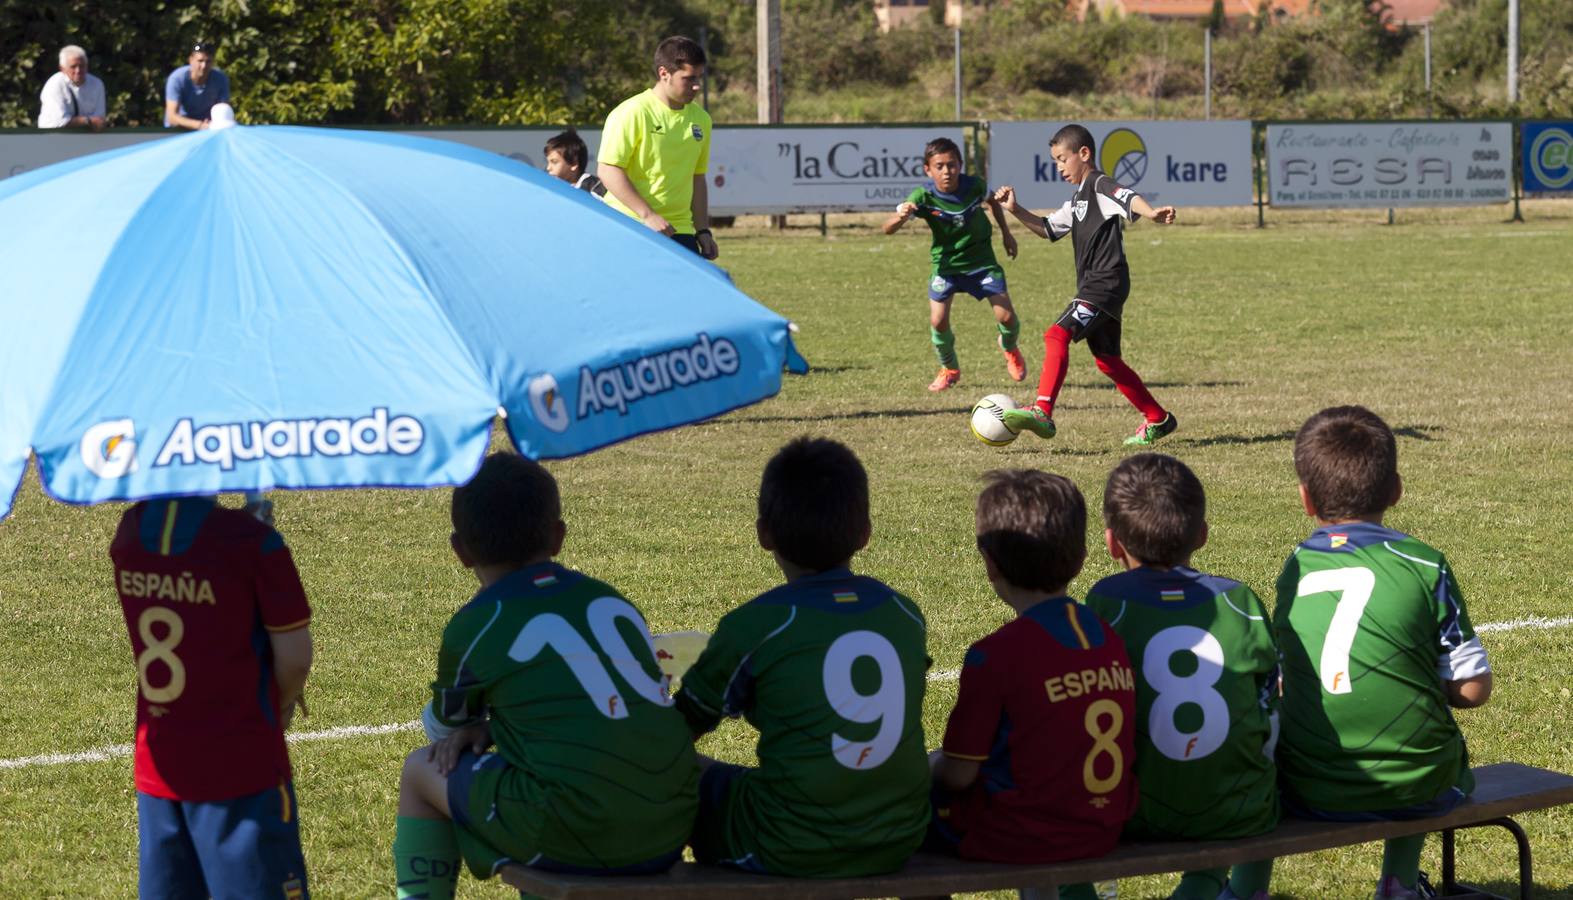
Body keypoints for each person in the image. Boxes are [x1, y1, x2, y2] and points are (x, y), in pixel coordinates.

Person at [393, 453, 698, 900]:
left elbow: (443, 731)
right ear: (558, 537)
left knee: (421, 770)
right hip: (669, 829)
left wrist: (483, 726)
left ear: (459, 550)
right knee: (544, 775)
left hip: (572, 831)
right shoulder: (613, 600)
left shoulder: (477, 623)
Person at [674, 437, 930, 877]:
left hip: (787, 844)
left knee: (684, 775)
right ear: (866, 533)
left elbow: (679, 730)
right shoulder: (903, 612)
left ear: (763, 533)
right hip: (897, 838)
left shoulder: (756, 625)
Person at [1275, 406, 1492, 900]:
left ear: (1305, 499)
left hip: (1308, 784)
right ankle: (1398, 881)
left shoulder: (1297, 566)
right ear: (1395, 490)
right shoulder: (1423, 562)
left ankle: (1246, 888)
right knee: (1413, 742)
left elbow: (1283, 677)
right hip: (1420, 786)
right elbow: (1473, 690)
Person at [1082, 454, 1278, 900]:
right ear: (1203, 535)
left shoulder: (1107, 601)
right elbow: (1270, 701)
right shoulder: (1238, 600)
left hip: (1129, 812)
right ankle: (1236, 889)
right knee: (1271, 749)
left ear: (1112, 542)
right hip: (1237, 810)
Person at [929, 468, 1137, 877]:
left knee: (893, 816)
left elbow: (957, 774)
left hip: (1020, 836)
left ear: (989, 563)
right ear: (1081, 558)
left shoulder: (995, 655)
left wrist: (924, 765)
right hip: (1104, 829)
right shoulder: (1109, 638)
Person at [110, 495, 312, 898]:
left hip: (159, 767)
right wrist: (284, 702)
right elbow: (294, 657)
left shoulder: (129, 532)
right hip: (240, 767)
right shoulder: (252, 543)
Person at [995, 123, 1179, 446]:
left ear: (1084, 153)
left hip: (1104, 282)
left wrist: (1151, 214)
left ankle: (1042, 410)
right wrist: (1015, 210)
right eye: (1054, 161)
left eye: (1062, 159)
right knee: (1107, 360)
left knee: (1056, 334)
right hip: (1103, 285)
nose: (1058, 167)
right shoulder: (1078, 198)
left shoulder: (1098, 184)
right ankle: (1158, 419)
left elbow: (1128, 197)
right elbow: (1048, 228)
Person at [883, 137, 1026, 392]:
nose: (946, 171)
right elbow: (887, 229)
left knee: (1006, 316)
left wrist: (1006, 233)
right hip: (946, 266)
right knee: (938, 321)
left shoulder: (974, 186)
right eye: (939, 166)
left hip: (981, 261)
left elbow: (993, 201)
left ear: (960, 165)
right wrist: (901, 217)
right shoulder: (923, 196)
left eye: (952, 165)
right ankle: (949, 368)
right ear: (928, 169)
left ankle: (1009, 347)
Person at [597, 36, 717, 259]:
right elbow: (608, 170)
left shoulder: (702, 119)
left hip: (680, 230)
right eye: (689, 78)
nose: (697, 86)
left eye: (699, 78)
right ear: (664, 74)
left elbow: (697, 177)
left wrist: (702, 230)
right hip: (629, 224)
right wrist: (648, 215)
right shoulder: (632, 113)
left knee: (682, 295)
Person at [37, 45, 107, 130]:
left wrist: (93, 122)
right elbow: (60, 122)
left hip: (86, 138)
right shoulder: (54, 84)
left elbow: (99, 121)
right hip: (52, 137)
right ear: (62, 69)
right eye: (73, 67)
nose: (78, 71)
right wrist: (88, 121)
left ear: (87, 66)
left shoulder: (97, 84)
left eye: (81, 66)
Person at [165, 42, 231, 130]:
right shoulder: (177, 79)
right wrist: (199, 125)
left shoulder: (221, 79)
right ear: (191, 60)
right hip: (178, 131)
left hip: (209, 129)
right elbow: (172, 117)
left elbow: (223, 111)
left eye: (208, 61)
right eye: (200, 61)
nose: (204, 66)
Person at [545, 129, 606, 198]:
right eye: (548, 162)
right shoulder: (553, 189)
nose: (548, 168)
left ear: (574, 163)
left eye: (554, 162)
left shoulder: (594, 188)